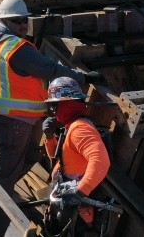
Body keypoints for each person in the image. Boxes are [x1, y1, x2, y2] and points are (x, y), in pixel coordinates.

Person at [0, 0, 100, 237]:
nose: (23, 26)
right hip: (14, 122)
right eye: (17, 21)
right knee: (5, 181)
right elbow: (50, 68)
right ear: (5, 22)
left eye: (25, 21)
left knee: (28, 157)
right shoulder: (16, 48)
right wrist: (83, 78)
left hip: (15, 119)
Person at [41, 77, 111, 237]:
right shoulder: (71, 126)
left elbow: (101, 162)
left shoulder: (80, 129)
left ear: (64, 104)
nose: (53, 111)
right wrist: (50, 136)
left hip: (77, 211)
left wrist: (79, 192)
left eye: (54, 106)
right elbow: (58, 156)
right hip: (67, 202)